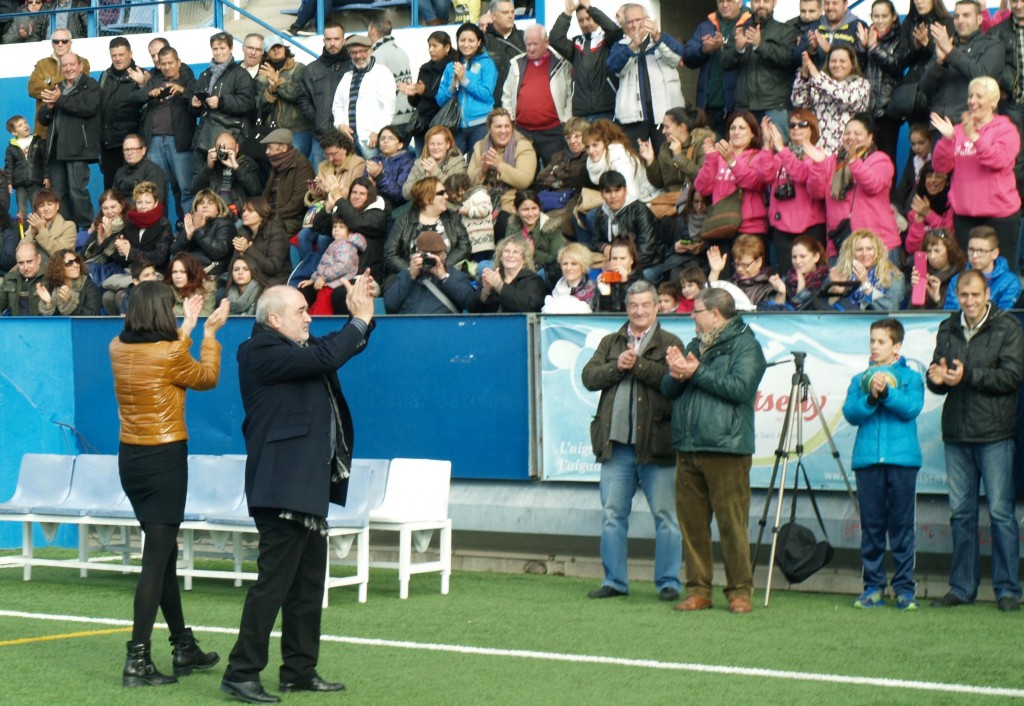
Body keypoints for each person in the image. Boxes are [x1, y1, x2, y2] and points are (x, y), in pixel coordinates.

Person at [221, 278, 374, 704]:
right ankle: (241, 672)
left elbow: (335, 349)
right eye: (301, 311)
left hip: (304, 485)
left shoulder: (297, 351)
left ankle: (299, 670)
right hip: (281, 486)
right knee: (272, 586)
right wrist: (357, 321)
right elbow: (330, 352)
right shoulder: (260, 350)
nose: (309, 316)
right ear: (274, 319)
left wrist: (362, 317)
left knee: (307, 587)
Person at [110, 282, 229, 687]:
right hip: (164, 460)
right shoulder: (170, 352)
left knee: (163, 556)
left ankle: (182, 645)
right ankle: (137, 659)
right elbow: (206, 377)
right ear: (163, 312)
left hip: (131, 458)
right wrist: (207, 335)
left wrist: (187, 330)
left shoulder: (117, 347)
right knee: (156, 560)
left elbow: (162, 357)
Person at [662, 287, 767, 614]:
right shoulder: (693, 345)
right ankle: (698, 590)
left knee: (732, 524)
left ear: (716, 314)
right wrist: (676, 373)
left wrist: (696, 372)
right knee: (692, 525)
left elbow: (740, 389)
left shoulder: (746, 346)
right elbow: (668, 390)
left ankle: (740, 592)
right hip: (688, 446)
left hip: (727, 448)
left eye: (696, 311)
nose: (691, 316)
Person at [927, 270, 1024, 612]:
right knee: (961, 514)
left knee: (1001, 514)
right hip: (955, 431)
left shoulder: (1007, 327)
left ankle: (1008, 590)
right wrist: (935, 378)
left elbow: (1012, 377)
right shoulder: (947, 327)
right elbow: (939, 375)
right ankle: (962, 588)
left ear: (987, 294)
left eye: (974, 295)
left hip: (996, 432)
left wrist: (968, 375)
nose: (968, 301)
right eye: (963, 295)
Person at [580, 280, 683, 601]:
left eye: (645, 305)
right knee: (612, 516)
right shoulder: (611, 342)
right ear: (626, 308)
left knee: (667, 518)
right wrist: (616, 366)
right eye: (633, 305)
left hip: (657, 446)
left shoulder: (672, 342)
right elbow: (588, 377)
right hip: (616, 447)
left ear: (657, 307)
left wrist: (637, 365)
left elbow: (673, 385)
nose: (639, 311)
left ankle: (668, 582)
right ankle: (614, 581)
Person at [842, 318, 924, 610]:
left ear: (896, 346)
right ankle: (873, 587)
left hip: (903, 461)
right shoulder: (859, 379)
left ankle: (904, 590)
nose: (875, 347)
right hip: (867, 461)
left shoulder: (911, 377)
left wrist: (887, 393)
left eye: (881, 342)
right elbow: (851, 413)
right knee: (872, 527)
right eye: (872, 341)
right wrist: (871, 398)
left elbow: (912, 408)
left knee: (902, 527)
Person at [931, 76, 1021, 272]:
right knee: (968, 272)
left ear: (994, 101)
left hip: (1000, 216)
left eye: (979, 96)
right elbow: (941, 167)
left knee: (1001, 273)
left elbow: (999, 160)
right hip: (965, 216)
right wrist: (947, 140)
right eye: (970, 96)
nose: (972, 101)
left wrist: (974, 136)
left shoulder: (1006, 130)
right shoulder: (958, 130)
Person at [809, 113, 899, 256]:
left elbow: (872, 185)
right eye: (847, 133)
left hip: (877, 245)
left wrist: (853, 161)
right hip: (841, 244)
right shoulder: (832, 162)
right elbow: (816, 192)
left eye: (857, 133)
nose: (851, 137)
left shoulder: (880, 160)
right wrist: (818, 165)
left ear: (870, 138)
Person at [608, 4, 686, 151]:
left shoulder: (662, 38)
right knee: (632, 161)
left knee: (668, 162)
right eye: (629, 21)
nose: (634, 25)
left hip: (665, 115)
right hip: (632, 118)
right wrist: (633, 46)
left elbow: (677, 58)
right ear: (624, 24)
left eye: (638, 19)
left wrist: (657, 37)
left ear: (648, 20)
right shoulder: (620, 46)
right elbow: (614, 67)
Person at [693, 110, 774, 249]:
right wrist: (711, 160)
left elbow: (754, 183)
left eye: (742, 128)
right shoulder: (719, 157)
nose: (736, 132)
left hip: (749, 229)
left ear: (753, 133)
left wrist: (732, 161)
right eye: (732, 128)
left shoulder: (758, 156)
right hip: (720, 225)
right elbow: (702, 188)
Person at [37, 51, 100, 229]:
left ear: (80, 66)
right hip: (56, 149)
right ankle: (67, 230)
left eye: (72, 64)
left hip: (77, 149)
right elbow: (43, 119)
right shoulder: (57, 87)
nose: (68, 68)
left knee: (77, 191)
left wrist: (60, 100)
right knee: (59, 194)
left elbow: (88, 108)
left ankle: (87, 229)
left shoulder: (90, 85)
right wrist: (49, 108)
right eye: (64, 65)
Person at [720, 0, 799, 136]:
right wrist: (738, 49)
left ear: (775, 3)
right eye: (757, 1)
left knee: (776, 154)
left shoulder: (786, 30)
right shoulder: (739, 30)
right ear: (751, 3)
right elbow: (724, 63)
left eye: (766, 1)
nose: (761, 5)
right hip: (744, 108)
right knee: (745, 155)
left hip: (774, 106)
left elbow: (787, 59)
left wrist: (760, 45)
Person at [920, 0, 1003, 123]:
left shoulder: (993, 45)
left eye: (966, 15)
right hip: (940, 125)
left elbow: (985, 78)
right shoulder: (945, 43)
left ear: (979, 19)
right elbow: (924, 87)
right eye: (956, 16)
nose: (960, 20)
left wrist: (951, 52)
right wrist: (939, 62)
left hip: (974, 125)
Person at [762, 111, 827, 268]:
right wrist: (766, 145)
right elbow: (766, 177)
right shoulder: (780, 156)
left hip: (810, 228)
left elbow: (802, 175)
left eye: (802, 124)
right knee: (787, 278)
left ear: (812, 128)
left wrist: (782, 150)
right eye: (792, 125)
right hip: (782, 227)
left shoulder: (818, 155)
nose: (796, 128)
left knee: (813, 278)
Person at [501, 24, 573, 166]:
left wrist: (566, 119)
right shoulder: (516, 63)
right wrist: (510, 119)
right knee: (524, 176)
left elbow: (570, 94)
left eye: (535, 44)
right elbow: (507, 95)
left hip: (554, 132)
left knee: (554, 176)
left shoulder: (562, 63)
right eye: (528, 44)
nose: (531, 48)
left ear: (546, 43)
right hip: (522, 132)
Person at [142, 46, 197, 223]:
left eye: (170, 63)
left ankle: (189, 229)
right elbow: (135, 97)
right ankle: (160, 232)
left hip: (179, 142)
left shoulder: (188, 80)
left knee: (186, 189)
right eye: (163, 63)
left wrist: (183, 91)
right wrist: (148, 94)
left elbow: (200, 102)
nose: (167, 67)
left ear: (178, 62)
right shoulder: (154, 81)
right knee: (157, 191)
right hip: (154, 142)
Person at [189, 32, 257, 172]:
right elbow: (194, 110)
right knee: (200, 182)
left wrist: (221, 102)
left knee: (227, 181)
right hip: (203, 138)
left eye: (222, 48)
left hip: (230, 138)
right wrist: (195, 105)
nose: (218, 52)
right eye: (215, 49)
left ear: (231, 49)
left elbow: (248, 102)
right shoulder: (205, 74)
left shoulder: (241, 74)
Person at [549, 0, 623, 123]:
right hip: (581, 113)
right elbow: (555, 39)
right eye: (581, 20)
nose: (585, 23)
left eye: (589, 18)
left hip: (607, 111)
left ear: (595, 18)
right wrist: (568, 13)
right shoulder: (576, 45)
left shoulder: (608, 41)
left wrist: (591, 8)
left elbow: (614, 30)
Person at [683, 0, 749, 136]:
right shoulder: (705, 26)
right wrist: (703, 49)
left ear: (740, 2)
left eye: (729, 1)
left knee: (735, 155)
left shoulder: (750, 24)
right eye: (720, 1)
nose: (724, 5)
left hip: (738, 107)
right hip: (708, 107)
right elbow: (687, 57)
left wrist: (724, 46)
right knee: (708, 154)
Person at [791, 44, 870, 154]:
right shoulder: (819, 83)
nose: (837, 65)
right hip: (819, 151)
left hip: (847, 151)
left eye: (842, 61)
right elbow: (799, 104)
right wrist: (804, 76)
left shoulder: (861, 84)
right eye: (833, 61)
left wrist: (817, 75)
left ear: (852, 63)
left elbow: (845, 100)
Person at [384, 176, 469, 277]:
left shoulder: (453, 218)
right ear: (427, 199)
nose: (446, 196)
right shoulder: (404, 220)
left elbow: (464, 246)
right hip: (412, 279)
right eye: (441, 193)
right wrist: (410, 271)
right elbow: (390, 253)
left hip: (446, 277)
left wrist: (443, 268)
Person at [436, 22, 498, 157]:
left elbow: (486, 94)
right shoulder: (450, 66)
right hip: (456, 126)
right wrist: (452, 87)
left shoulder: (487, 64)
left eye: (471, 40)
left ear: (479, 42)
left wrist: (465, 81)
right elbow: (440, 100)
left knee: (476, 167)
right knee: (449, 163)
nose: (466, 44)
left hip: (481, 125)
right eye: (462, 40)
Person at [297, 21, 352, 171]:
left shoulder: (353, 67)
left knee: (351, 180)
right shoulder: (311, 70)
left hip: (349, 135)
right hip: (320, 137)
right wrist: (316, 119)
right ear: (323, 41)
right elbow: (303, 98)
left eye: (336, 39)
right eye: (328, 39)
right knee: (321, 180)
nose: (332, 43)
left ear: (344, 40)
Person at [331, 35, 396, 160]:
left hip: (371, 139)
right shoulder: (347, 76)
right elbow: (337, 105)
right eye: (354, 52)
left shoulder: (382, 73)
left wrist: (378, 131)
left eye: (362, 51)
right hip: (349, 140)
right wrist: (340, 125)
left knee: (374, 174)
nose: (358, 56)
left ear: (371, 51)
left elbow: (389, 106)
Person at [467, 108, 538, 221]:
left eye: (507, 126)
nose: (503, 131)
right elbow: (468, 181)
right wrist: (482, 171)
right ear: (489, 129)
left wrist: (500, 166)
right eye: (498, 127)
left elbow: (525, 180)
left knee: (503, 222)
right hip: (482, 201)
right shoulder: (480, 146)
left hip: (511, 202)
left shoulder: (522, 146)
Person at [383, 230, 475, 314]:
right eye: (428, 254)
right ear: (417, 252)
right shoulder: (404, 276)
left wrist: (445, 278)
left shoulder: (456, 277)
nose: (432, 258)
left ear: (444, 254)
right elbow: (390, 306)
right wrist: (410, 276)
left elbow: (471, 304)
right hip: (410, 328)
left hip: (443, 329)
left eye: (437, 253)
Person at [98, 37, 147, 189]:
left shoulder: (141, 75)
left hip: (132, 148)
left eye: (121, 54)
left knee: (135, 194)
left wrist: (143, 85)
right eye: (114, 55)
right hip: (108, 147)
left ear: (130, 54)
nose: (117, 59)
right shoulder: (105, 76)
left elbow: (147, 110)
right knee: (111, 193)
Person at [590, 170, 659, 277]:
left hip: (646, 265)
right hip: (615, 263)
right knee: (593, 276)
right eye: (608, 192)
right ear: (602, 194)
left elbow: (647, 251)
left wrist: (623, 266)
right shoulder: (601, 213)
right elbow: (595, 242)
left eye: (617, 190)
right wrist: (604, 247)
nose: (613, 196)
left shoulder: (639, 211)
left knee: (639, 278)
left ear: (625, 190)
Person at [27, 28, 91, 141]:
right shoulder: (42, 64)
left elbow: (75, 85)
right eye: (56, 41)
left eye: (64, 41)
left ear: (70, 43)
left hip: (72, 130)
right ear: (52, 43)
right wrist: (60, 85)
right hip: (44, 131)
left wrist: (49, 81)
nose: (60, 44)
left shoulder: (82, 62)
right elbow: (32, 88)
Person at [296, 213, 366, 314]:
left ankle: (319, 322)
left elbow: (342, 266)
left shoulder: (346, 246)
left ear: (349, 231)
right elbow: (322, 265)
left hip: (335, 282)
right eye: (334, 226)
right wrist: (312, 279)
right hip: (329, 280)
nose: (336, 229)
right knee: (306, 291)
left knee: (322, 304)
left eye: (341, 227)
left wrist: (323, 278)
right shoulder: (335, 244)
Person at [859, 0, 903, 161]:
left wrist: (873, 48)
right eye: (876, 16)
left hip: (888, 109)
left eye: (884, 16)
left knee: (886, 158)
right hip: (866, 108)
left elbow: (896, 65)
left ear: (893, 17)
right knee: (864, 157)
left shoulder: (900, 37)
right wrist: (863, 48)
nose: (879, 20)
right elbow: (857, 69)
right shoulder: (867, 35)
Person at [401, 31, 458, 150]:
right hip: (422, 124)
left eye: (435, 46)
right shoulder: (425, 68)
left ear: (447, 47)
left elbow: (446, 98)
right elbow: (416, 102)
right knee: (421, 163)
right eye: (429, 46)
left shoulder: (453, 68)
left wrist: (424, 92)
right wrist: (413, 94)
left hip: (443, 122)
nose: (431, 50)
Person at [256, 39, 312, 160]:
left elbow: (298, 94)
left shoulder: (299, 68)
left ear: (285, 49)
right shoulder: (262, 75)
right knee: (279, 167)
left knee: (298, 164)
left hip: (298, 129)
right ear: (266, 53)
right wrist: (270, 92)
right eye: (272, 48)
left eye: (279, 46)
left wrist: (277, 81)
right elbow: (259, 106)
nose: (276, 50)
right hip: (274, 130)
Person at [943, 226, 1022, 310]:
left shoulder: (1010, 282)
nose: (974, 255)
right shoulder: (956, 280)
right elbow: (951, 314)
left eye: (981, 251)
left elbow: (1003, 316)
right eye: (971, 250)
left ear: (995, 253)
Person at [585, 119, 659, 205]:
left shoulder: (620, 157)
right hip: (617, 201)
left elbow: (632, 195)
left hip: (646, 200)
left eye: (595, 145)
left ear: (606, 143)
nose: (590, 151)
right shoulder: (595, 161)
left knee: (593, 215)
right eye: (587, 147)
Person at [829, 229, 906, 310]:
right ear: (851, 253)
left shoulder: (895, 276)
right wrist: (836, 291)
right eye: (859, 249)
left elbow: (890, 308)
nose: (864, 254)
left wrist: (865, 283)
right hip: (847, 321)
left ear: (878, 251)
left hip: (878, 322)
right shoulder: (842, 274)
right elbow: (827, 311)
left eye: (869, 249)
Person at [191, 131, 264, 217]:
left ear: (237, 148)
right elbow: (194, 189)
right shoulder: (211, 164)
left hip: (238, 214)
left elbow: (255, 190)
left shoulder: (247, 164)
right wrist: (208, 167)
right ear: (215, 149)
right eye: (222, 150)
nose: (225, 153)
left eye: (229, 149)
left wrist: (236, 167)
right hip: (214, 213)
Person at [469, 234, 547, 313]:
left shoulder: (533, 280)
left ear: (523, 259)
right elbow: (472, 309)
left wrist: (500, 286)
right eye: (507, 251)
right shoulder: (494, 278)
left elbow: (530, 305)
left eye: (515, 252)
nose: (510, 255)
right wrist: (485, 291)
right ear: (501, 257)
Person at [259, 128, 315, 235]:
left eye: (270, 148)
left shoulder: (301, 165)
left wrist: (273, 216)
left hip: (292, 218)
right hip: (273, 215)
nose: (267, 152)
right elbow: (267, 195)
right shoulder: (277, 164)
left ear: (284, 148)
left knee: (269, 233)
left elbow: (297, 203)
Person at [170, 189, 235, 278]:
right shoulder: (191, 223)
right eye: (201, 203)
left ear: (218, 209)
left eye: (210, 203)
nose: (205, 206)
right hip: (188, 272)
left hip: (212, 274)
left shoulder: (225, 223)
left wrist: (199, 230)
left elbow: (218, 252)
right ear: (195, 208)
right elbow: (174, 252)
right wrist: (187, 237)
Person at [504, 189, 566, 282]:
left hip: (540, 272)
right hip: (515, 269)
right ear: (517, 211)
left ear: (539, 209)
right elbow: (505, 254)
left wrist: (533, 254)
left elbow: (558, 261)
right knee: (483, 266)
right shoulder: (512, 228)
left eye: (534, 208)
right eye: (525, 209)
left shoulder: (551, 228)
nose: (530, 214)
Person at [111, 181, 173, 271]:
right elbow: (120, 261)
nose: (143, 206)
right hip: (129, 272)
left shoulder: (164, 224)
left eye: (148, 202)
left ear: (156, 203)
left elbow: (159, 258)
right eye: (139, 202)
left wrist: (130, 252)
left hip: (155, 274)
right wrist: (121, 250)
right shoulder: (129, 223)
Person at [234, 197, 292, 286]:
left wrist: (248, 249)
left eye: (250, 211)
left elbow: (273, 267)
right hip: (251, 280)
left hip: (275, 281)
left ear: (262, 214)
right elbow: (233, 266)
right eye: (244, 211)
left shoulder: (277, 232)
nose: (244, 214)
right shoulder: (243, 233)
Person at [368, 16, 413, 129]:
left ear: (372, 31)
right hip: (408, 116)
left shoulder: (377, 55)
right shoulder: (400, 50)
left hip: (392, 121)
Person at [401, 125, 467, 202]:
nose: (435, 147)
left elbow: (458, 192)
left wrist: (435, 172)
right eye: (432, 144)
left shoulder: (458, 162)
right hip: (424, 206)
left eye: (439, 144)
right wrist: (424, 179)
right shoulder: (420, 163)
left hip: (448, 206)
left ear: (448, 145)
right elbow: (405, 193)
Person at [706, 236, 776, 307]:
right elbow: (706, 301)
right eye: (736, 264)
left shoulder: (769, 289)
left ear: (758, 262)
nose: (739, 269)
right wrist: (715, 272)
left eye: (744, 265)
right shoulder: (729, 285)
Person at [767, 234, 831, 309]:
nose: (797, 261)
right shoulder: (786, 279)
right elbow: (774, 314)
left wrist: (801, 291)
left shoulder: (827, 281)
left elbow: (821, 311)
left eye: (802, 256)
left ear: (816, 257)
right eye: (794, 257)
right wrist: (781, 293)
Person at [482, 0, 526, 107]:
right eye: (505, 12)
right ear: (493, 16)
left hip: (522, 104)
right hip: (491, 106)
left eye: (512, 12)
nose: (511, 16)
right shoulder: (482, 42)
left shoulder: (525, 38)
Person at [4, 114, 47, 221]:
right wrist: (8, 182)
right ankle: (23, 233)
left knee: (37, 207)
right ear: (14, 132)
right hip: (20, 184)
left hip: (36, 181)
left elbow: (44, 161)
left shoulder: (37, 141)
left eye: (25, 123)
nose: (25, 126)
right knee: (21, 210)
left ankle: (39, 231)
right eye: (20, 125)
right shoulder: (11, 147)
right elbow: (9, 166)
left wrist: (47, 176)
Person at [903, 161, 951, 256]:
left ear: (947, 181)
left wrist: (929, 214)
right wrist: (918, 224)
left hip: (948, 258)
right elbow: (912, 249)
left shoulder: (952, 205)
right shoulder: (918, 205)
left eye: (938, 176)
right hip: (924, 259)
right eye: (929, 176)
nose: (932, 180)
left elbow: (949, 237)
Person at [909, 229, 966, 309]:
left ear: (949, 251)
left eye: (937, 251)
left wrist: (938, 299)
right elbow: (910, 313)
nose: (932, 256)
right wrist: (916, 290)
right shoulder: (920, 274)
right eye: (929, 251)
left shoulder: (960, 276)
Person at [36, 248, 100, 316]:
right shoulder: (52, 287)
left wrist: (70, 304)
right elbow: (46, 323)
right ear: (58, 267)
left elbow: (93, 317)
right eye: (69, 263)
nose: (76, 265)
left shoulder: (89, 287)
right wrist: (48, 304)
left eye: (77, 261)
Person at [364, 125, 414, 208]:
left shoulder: (406, 162)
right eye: (382, 138)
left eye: (391, 138)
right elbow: (362, 188)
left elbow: (399, 195)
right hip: (372, 204)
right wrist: (370, 185)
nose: (385, 141)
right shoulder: (373, 160)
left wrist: (379, 176)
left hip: (394, 208)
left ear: (400, 145)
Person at [113, 134, 168, 209]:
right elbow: (113, 199)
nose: (129, 153)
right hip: (122, 215)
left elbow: (154, 202)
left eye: (133, 149)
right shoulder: (120, 172)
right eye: (126, 150)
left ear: (143, 150)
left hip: (147, 216)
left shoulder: (153, 171)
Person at [542, 242, 596, 313]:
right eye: (565, 264)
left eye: (574, 264)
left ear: (583, 266)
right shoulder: (557, 288)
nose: (568, 268)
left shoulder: (592, 289)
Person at [594, 236, 642, 313]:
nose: (618, 263)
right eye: (614, 258)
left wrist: (624, 283)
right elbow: (599, 315)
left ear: (631, 260)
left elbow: (633, 312)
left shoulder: (641, 282)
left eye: (622, 258)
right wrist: (605, 295)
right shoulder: (606, 280)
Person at [24, 188, 75, 256]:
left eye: (50, 204)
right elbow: (20, 254)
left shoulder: (68, 226)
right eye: (41, 206)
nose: (46, 209)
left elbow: (62, 255)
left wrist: (42, 230)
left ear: (57, 206)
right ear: (37, 210)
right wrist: (32, 233)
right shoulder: (33, 226)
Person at [168, 252, 216, 317]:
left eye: (183, 272)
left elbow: (206, 314)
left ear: (191, 272)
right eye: (174, 272)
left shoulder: (207, 288)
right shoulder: (167, 289)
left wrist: (175, 310)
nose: (178, 276)